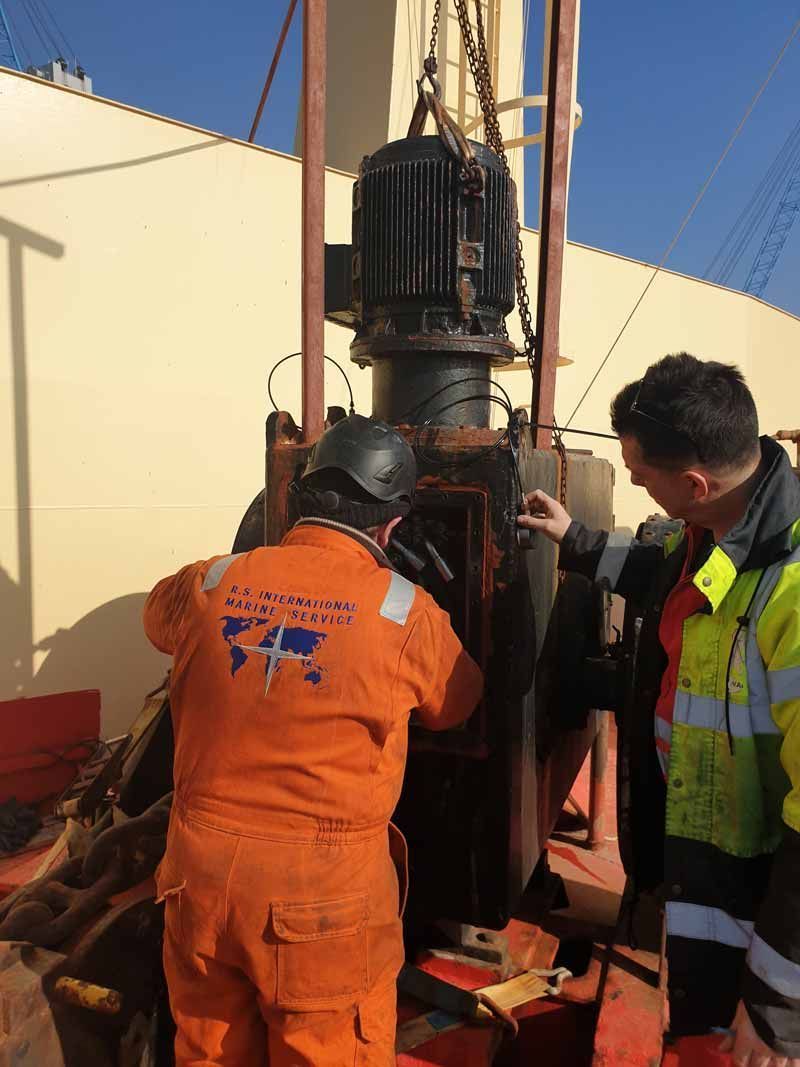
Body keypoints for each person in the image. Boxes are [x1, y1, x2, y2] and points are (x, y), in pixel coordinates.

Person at [144, 414, 483, 1066]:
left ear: (297, 499)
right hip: (321, 905)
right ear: (391, 524)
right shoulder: (404, 610)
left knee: (208, 1053)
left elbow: (156, 615)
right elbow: (456, 704)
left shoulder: (212, 580)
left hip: (200, 883)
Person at [518, 353, 800, 1066]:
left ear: (695, 483)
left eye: (642, 476)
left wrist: (777, 1005)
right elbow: (663, 570)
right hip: (696, 876)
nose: (638, 483)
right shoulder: (719, 524)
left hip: (757, 914)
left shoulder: (791, 595)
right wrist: (573, 538)